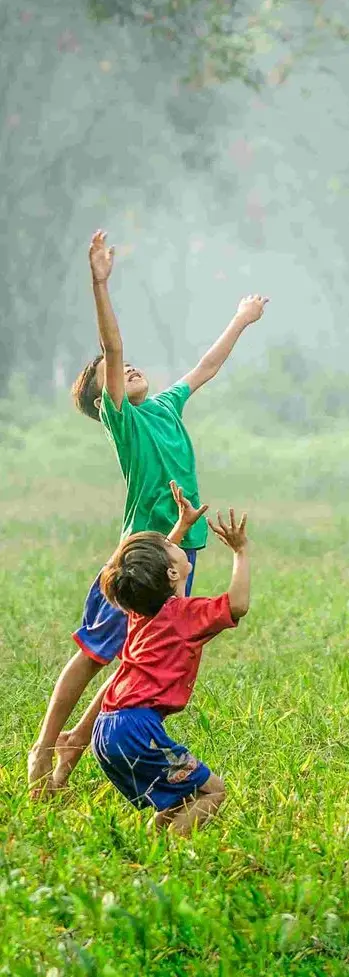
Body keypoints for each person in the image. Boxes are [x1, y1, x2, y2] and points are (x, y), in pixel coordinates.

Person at [27, 230, 268, 796]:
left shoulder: (164, 405)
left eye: (132, 366)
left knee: (138, 661)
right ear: (101, 400)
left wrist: (241, 318)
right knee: (93, 653)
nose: (127, 367)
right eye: (113, 373)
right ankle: (44, 750)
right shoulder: (124, 421)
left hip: (180, 552)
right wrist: (100, 283)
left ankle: (66, 764)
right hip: (140, 555)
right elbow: (111, 348)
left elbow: (206, 366)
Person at [91, 485, 249, 836]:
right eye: (172, 546)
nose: (175, 544)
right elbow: (237, 604)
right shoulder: (185, 615)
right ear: (172, 573)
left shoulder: (142, 608)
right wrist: (240, 552)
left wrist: (180, 527)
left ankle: (150, 845)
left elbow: (158, 571)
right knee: (213, 791)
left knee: (180, 798)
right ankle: (167, 856)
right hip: (136, 731)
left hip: (106, 729)